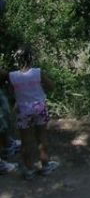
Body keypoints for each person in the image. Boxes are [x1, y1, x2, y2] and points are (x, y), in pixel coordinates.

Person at [8, 44, 56, 180]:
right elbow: (51, 86)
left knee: (25, 140)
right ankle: (45, 166)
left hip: (23, 109)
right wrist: (39, 90)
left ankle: (29, 170)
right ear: (31, 58)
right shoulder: (37, 72)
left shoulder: (12, 76)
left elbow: (13, 93)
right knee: (42, 137)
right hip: (39, 107)